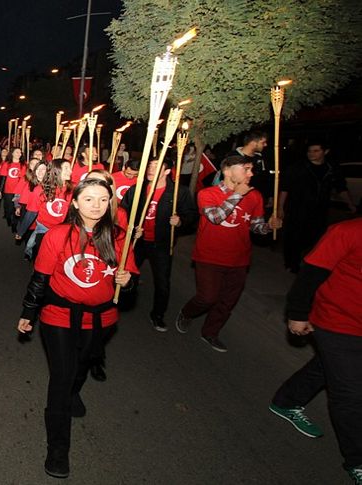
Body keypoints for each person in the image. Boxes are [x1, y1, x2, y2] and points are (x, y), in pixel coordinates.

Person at [17, 178, 135, 479]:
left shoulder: (119, 237)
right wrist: (28, 312)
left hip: (102, 319)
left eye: (103, 199)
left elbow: (130, 287)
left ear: (111, 203)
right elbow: (40, 279)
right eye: (89, 199)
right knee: (61, 377)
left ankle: (73, 391)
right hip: (59, 316)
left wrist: (129, 282)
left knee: (82, 366)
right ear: (75, 203)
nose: (96, 205)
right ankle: (57, 450)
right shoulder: (57, 235)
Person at [268, 218, 362, 483]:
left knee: (326, 367)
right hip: (337, 322)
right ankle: (358, 460)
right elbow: (311, 272)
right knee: (351, 395)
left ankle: (286, 401)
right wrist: (297, 312)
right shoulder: (348, 232)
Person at [176, 155, 282, 352]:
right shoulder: (207, 194)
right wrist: (237, 195)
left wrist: (268, 226)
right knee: (207, 297)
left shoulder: (255, 196)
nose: (250, 174)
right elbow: (216, 217)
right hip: (209, 256)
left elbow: (255, 226)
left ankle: (210, 332)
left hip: (239, 259)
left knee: (227, 301)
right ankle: (187, 312)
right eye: (246, 169)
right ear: (227, 171)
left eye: (252, 170)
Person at [121, 158, 197, 331]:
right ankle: (120, 303)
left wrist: (180, 221)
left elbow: (191, 215)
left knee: (162, 282)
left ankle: (158, 315)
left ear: (167, 171)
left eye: (156, 167)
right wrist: (131, 230)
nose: (150, 169)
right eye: (149, 166)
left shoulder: (179, 192)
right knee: (127, 274)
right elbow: (122, 211)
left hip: (161, 243)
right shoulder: (137, 189)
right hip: (138, 241)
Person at [278, 141, 356, 273]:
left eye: (316, 151)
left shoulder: (331, 169)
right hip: (298, 208)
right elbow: (285, 188)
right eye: (310, 151)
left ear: (325, 152)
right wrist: (280, 207)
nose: (311, 154)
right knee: (294, 236)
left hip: (319, 209)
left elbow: (341, 187)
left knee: (315, 236)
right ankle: (291, 263)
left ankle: (308, 261)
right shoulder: (298, 168)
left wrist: (350, 203)